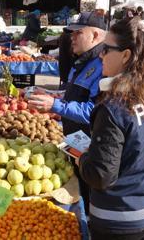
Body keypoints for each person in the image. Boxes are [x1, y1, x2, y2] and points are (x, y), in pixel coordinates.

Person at [76, 17, 144, 240]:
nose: (100, 55)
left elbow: (100, 175)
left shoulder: (113, 109)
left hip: (119, 220)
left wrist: (82, 158)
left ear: (126, 55)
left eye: (106, 49)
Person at [28, 20, 106, 214]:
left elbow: (94, 111)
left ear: (95, 35)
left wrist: (55, 105)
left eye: (77, 33)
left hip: (91, 145)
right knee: (78, 187)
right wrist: (52, 95)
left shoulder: (103, 65)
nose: (72, 38)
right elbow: (73, 96)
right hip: (74, 141)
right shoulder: (80, 62)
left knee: (90, 196)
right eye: (71, 33)